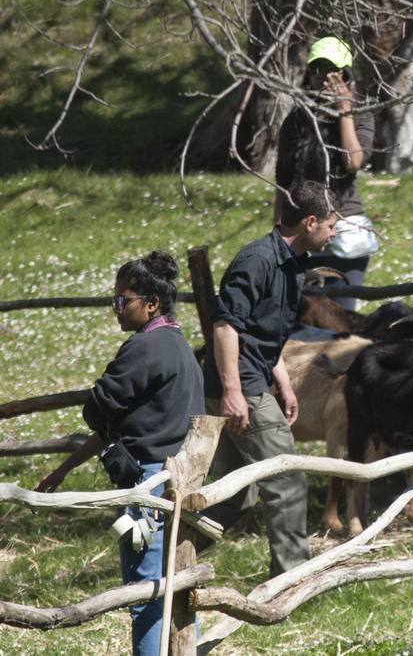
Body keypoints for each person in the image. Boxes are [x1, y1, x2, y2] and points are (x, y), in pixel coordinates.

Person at [37, 252, 204, 655]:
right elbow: (118, 427)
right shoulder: (179, 347)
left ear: (152, 304)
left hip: (144, 489)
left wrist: (96, 396)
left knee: (145, 594)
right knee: (174, 588)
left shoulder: (144, 348)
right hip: (177, 482)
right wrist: (64, 469)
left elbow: (97, 409)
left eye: (121, 300)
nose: (115, 309)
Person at [203, 180, 338, 578]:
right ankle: (292, 579)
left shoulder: (292, 263)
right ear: (310, 222)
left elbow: (265, 332)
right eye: (331, 225)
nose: (333, 233)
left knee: (236, 492)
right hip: (239, 384)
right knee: (287, 482)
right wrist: (233, 393)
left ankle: (166, 554)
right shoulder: (257, 260)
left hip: (252, 380)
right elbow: (226, 327)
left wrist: (282, 381)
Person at [275, 35, 376, 310]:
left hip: (344, 228)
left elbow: (353, 161)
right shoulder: (296, 121)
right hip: (303, 228)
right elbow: (283, 182)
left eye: (333, 71)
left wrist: (344, 111)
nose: (324, 78)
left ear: (347, 76)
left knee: (341, 314)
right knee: (304, 312)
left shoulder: (362, 116)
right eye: (317, 70)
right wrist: (278, 234)